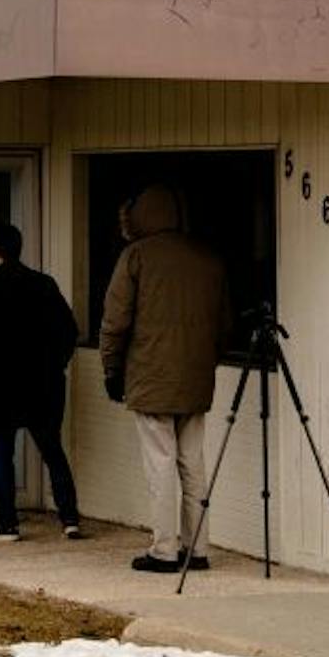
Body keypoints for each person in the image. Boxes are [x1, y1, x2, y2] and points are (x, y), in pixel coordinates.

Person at [100, 184, 232, 573]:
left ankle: (164, 549)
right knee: (193, 463)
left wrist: (112, 369)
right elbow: (224, 327)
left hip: (151, 378)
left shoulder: (136, 256)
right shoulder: (207, 258)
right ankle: (198, 548)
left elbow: (115, 319)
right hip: (195, 378)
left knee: (160, 465)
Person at [0, 221, 82, 543]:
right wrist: (55, 364)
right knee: (52, 450)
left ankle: (7, 523)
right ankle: (69, 519)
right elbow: (69, 331)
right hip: (43, 383)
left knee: (2, 453)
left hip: (2, 385)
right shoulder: (44, 283)